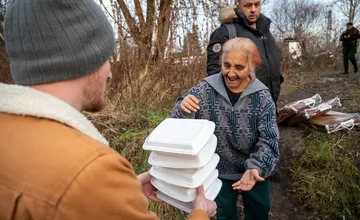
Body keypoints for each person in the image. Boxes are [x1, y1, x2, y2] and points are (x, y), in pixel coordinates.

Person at [0, 1, 216, 219]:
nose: (109, 74)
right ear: (83, 59)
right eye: (106, 58)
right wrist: (200, 213)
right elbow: (83, 184)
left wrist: (122, 191)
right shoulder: (92, 170)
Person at [172, 37, 280, 220]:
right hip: (217, 170)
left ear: (251, 67)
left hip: (253, 170)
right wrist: (183, 107)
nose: (231, 73)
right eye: (226, 65)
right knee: (223, 215)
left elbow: (269, 139)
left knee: (259, 212)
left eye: (239, 67)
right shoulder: (205, 89)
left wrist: (257, 167)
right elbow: (178, 122)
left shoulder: (262, 97)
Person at [206, 0, 283, 104]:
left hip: (269, 104)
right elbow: (214, 74)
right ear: (238, 6)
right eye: (248, 5)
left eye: (256, 5)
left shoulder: (265, 33)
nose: (253, 10)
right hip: (242, 109)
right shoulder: (225, 33)